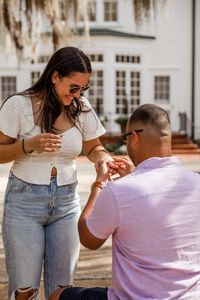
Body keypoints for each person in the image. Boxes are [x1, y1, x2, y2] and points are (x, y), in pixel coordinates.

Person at [49, 104, 200, 300]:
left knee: (58, 296)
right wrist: (135, 177)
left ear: (134, 137)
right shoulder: (196, 182)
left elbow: (88, 238)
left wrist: (99, 185)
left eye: (126, 138)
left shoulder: (119, 191)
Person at [0, 46, 114, 300]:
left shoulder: (81, 108)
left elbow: (95, 147)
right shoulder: (18, 105)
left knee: (63, 290)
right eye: (73, 87)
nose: (77, 95)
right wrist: (28, 146)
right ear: (54, 76)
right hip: (23, 203)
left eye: (83, 89)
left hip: (66, 204)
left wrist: (103, 160)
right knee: (24, 290)